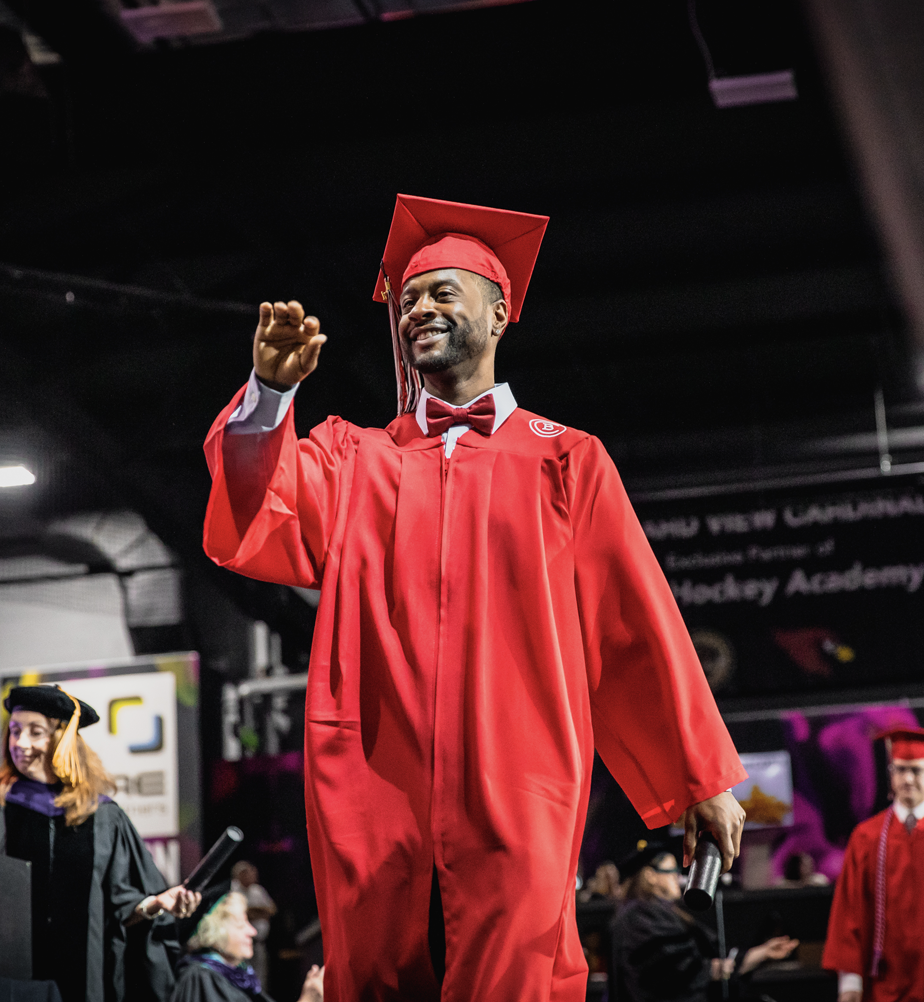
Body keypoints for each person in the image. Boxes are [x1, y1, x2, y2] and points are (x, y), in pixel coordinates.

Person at [202, 193, 747, 1001]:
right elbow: (262, 505)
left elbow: (634, 622)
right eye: (410, 298)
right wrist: (270, 396)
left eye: (442, 293)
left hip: (516, 772)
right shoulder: (355, 458)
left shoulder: (567, 460)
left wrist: (700, 776)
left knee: (514, 969)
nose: (418, 308)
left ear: (499, 314)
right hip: (373, 771)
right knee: (375, 970)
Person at [0, 683, 200, 1002]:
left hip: (85, 986)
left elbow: (119, 906)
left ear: (62, 740)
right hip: (5, 986)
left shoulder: (103, 818)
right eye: (14, 730)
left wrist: (156, 903)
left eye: (35, 732)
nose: (20, 743)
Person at [823, 726, 924, 1002]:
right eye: (899, 770)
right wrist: (849, 982)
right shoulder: (867, 836)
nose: (907, 778)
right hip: (888, 978)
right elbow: (849, 910)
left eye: (916, 770)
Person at [610, 842, 798, 1002]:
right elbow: (678, 973)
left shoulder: (659, 913)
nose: (679, 877)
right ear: (650, 876)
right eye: (671, 871)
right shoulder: (640, 917)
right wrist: (719, 969)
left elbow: (697, 966)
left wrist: (762, 953)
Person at [174, 891, 324, 1002]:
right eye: (241, 924)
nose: (252, 931)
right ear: (214, 931)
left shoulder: (236, 976)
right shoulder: (201, 979)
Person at [230, 861, 277, 989]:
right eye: (247, 873)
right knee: (242, 979)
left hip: (259, 943)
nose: (252, 875)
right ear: (240, 875)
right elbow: (241, 914)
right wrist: (258, 912)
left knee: (260, 980)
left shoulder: (257, 890)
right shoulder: (233, 890)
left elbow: (272, 910)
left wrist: (254, 911)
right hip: (240, 945)